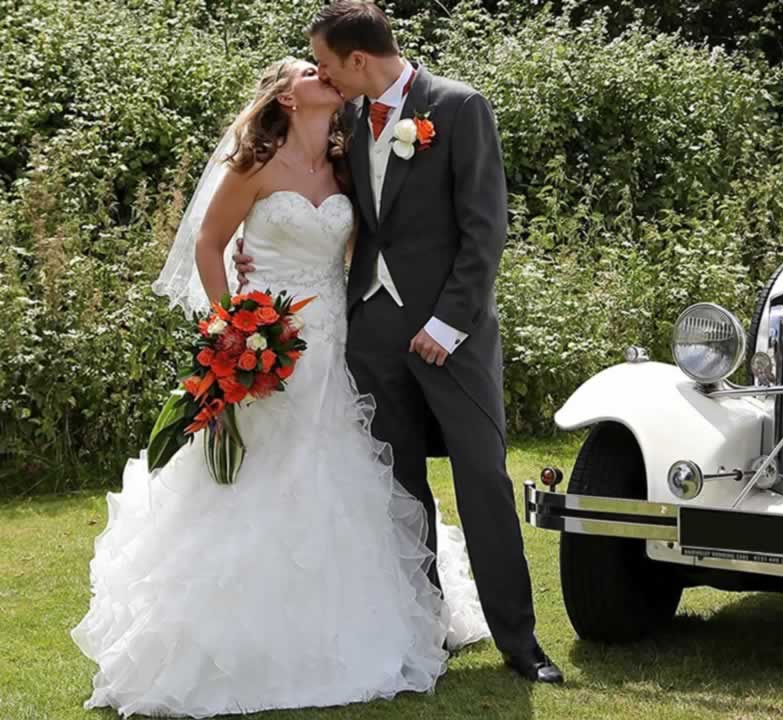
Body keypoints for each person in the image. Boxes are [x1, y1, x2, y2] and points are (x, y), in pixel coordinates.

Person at [72, 54, 492, 718]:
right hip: (268, 343)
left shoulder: (348, 164)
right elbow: (211, 245)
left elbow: (365, 251)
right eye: (308, 70)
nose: (324, 73)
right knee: (264, 477)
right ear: (287, 98)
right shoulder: (254, 165)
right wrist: (229, 329)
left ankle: (363, 621)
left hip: (338, 345)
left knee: (343, 474)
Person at [237, 0, 563, 685]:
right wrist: (255, 258)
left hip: (454, 335)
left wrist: (448, 322)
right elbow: (313, 199)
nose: (321, 74)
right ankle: (426, 624)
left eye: (326, 63)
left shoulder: (460, 106)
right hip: (369, 331)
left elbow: (486, 229)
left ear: (358, 60)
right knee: (398, 486)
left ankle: (521, 643)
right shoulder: (349, 118)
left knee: (481, 479)